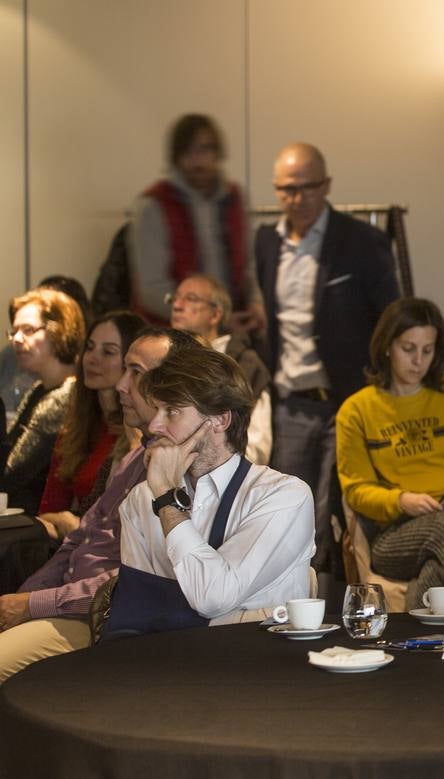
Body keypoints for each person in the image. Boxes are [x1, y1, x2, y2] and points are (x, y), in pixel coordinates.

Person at [0, 328, 197, 681]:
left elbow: (136, 580)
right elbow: (80, 540)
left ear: (174, 385)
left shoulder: (182, 470)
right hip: (70, 604)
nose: (121, 385)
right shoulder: (138, 455)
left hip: (103, 619)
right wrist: (22, 600)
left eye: (136, 372)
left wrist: (31, 605)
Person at [253, 142, 400, 586]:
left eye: (305, 188)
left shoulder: (362, 242)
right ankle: (288, 601)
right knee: (288, 512)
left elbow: (391, 317)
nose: (296, 199)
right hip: (290, 402)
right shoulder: (265, 243)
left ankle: (332, 603)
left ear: (326, 186)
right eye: (285, 190)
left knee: (334, 511)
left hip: (347, 397)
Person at [105, 343, 314, 636]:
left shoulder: (284, 496)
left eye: (172, 411)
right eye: (156, 410)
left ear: (220, 420)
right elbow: (136, 613)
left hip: (259, 669)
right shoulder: (141, 499)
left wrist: (167, 498)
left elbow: (212, 597)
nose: (154, 425)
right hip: (165, 668)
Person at [336, 299, 444, 598]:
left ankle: (413, 629)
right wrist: (401, 500)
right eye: (408, 349)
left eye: (427, 350)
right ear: (386, 346)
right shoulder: (356, 409)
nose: (418, 361)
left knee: (442, 559)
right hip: (395, 535)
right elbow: (356, 490)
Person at [129, 114, 254, 323]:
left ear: (217, 153)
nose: (198, 160)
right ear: (177, 157)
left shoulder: (234, 198)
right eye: (189, 151)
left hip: (231, 323)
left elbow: (250, 265)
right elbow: (152, 289)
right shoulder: (155, 204)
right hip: (175, 335)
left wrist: (256, 304)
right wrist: (205, 318)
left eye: (205, 149)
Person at [36, 311, 146, 540]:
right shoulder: (76, 429)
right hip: (67, 545)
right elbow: (47, 510)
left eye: (108, 352)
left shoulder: (139, 432)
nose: (92, 359)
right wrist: (64, 521)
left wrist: (74, 525)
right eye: (90, 347)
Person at [169, 274, 272, 464]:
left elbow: (256, 447)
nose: (177, 306)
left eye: (190, 299)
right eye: (174, 298)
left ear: (216, 314)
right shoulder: (165, 361)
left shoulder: (245, 365)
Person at [1, 290, 84, 512]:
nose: (17, 339)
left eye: (28, 330)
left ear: (60, 331)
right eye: (15, 331)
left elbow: (11, 472)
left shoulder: (64, 395)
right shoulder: (40, 389)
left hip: (36, 521)